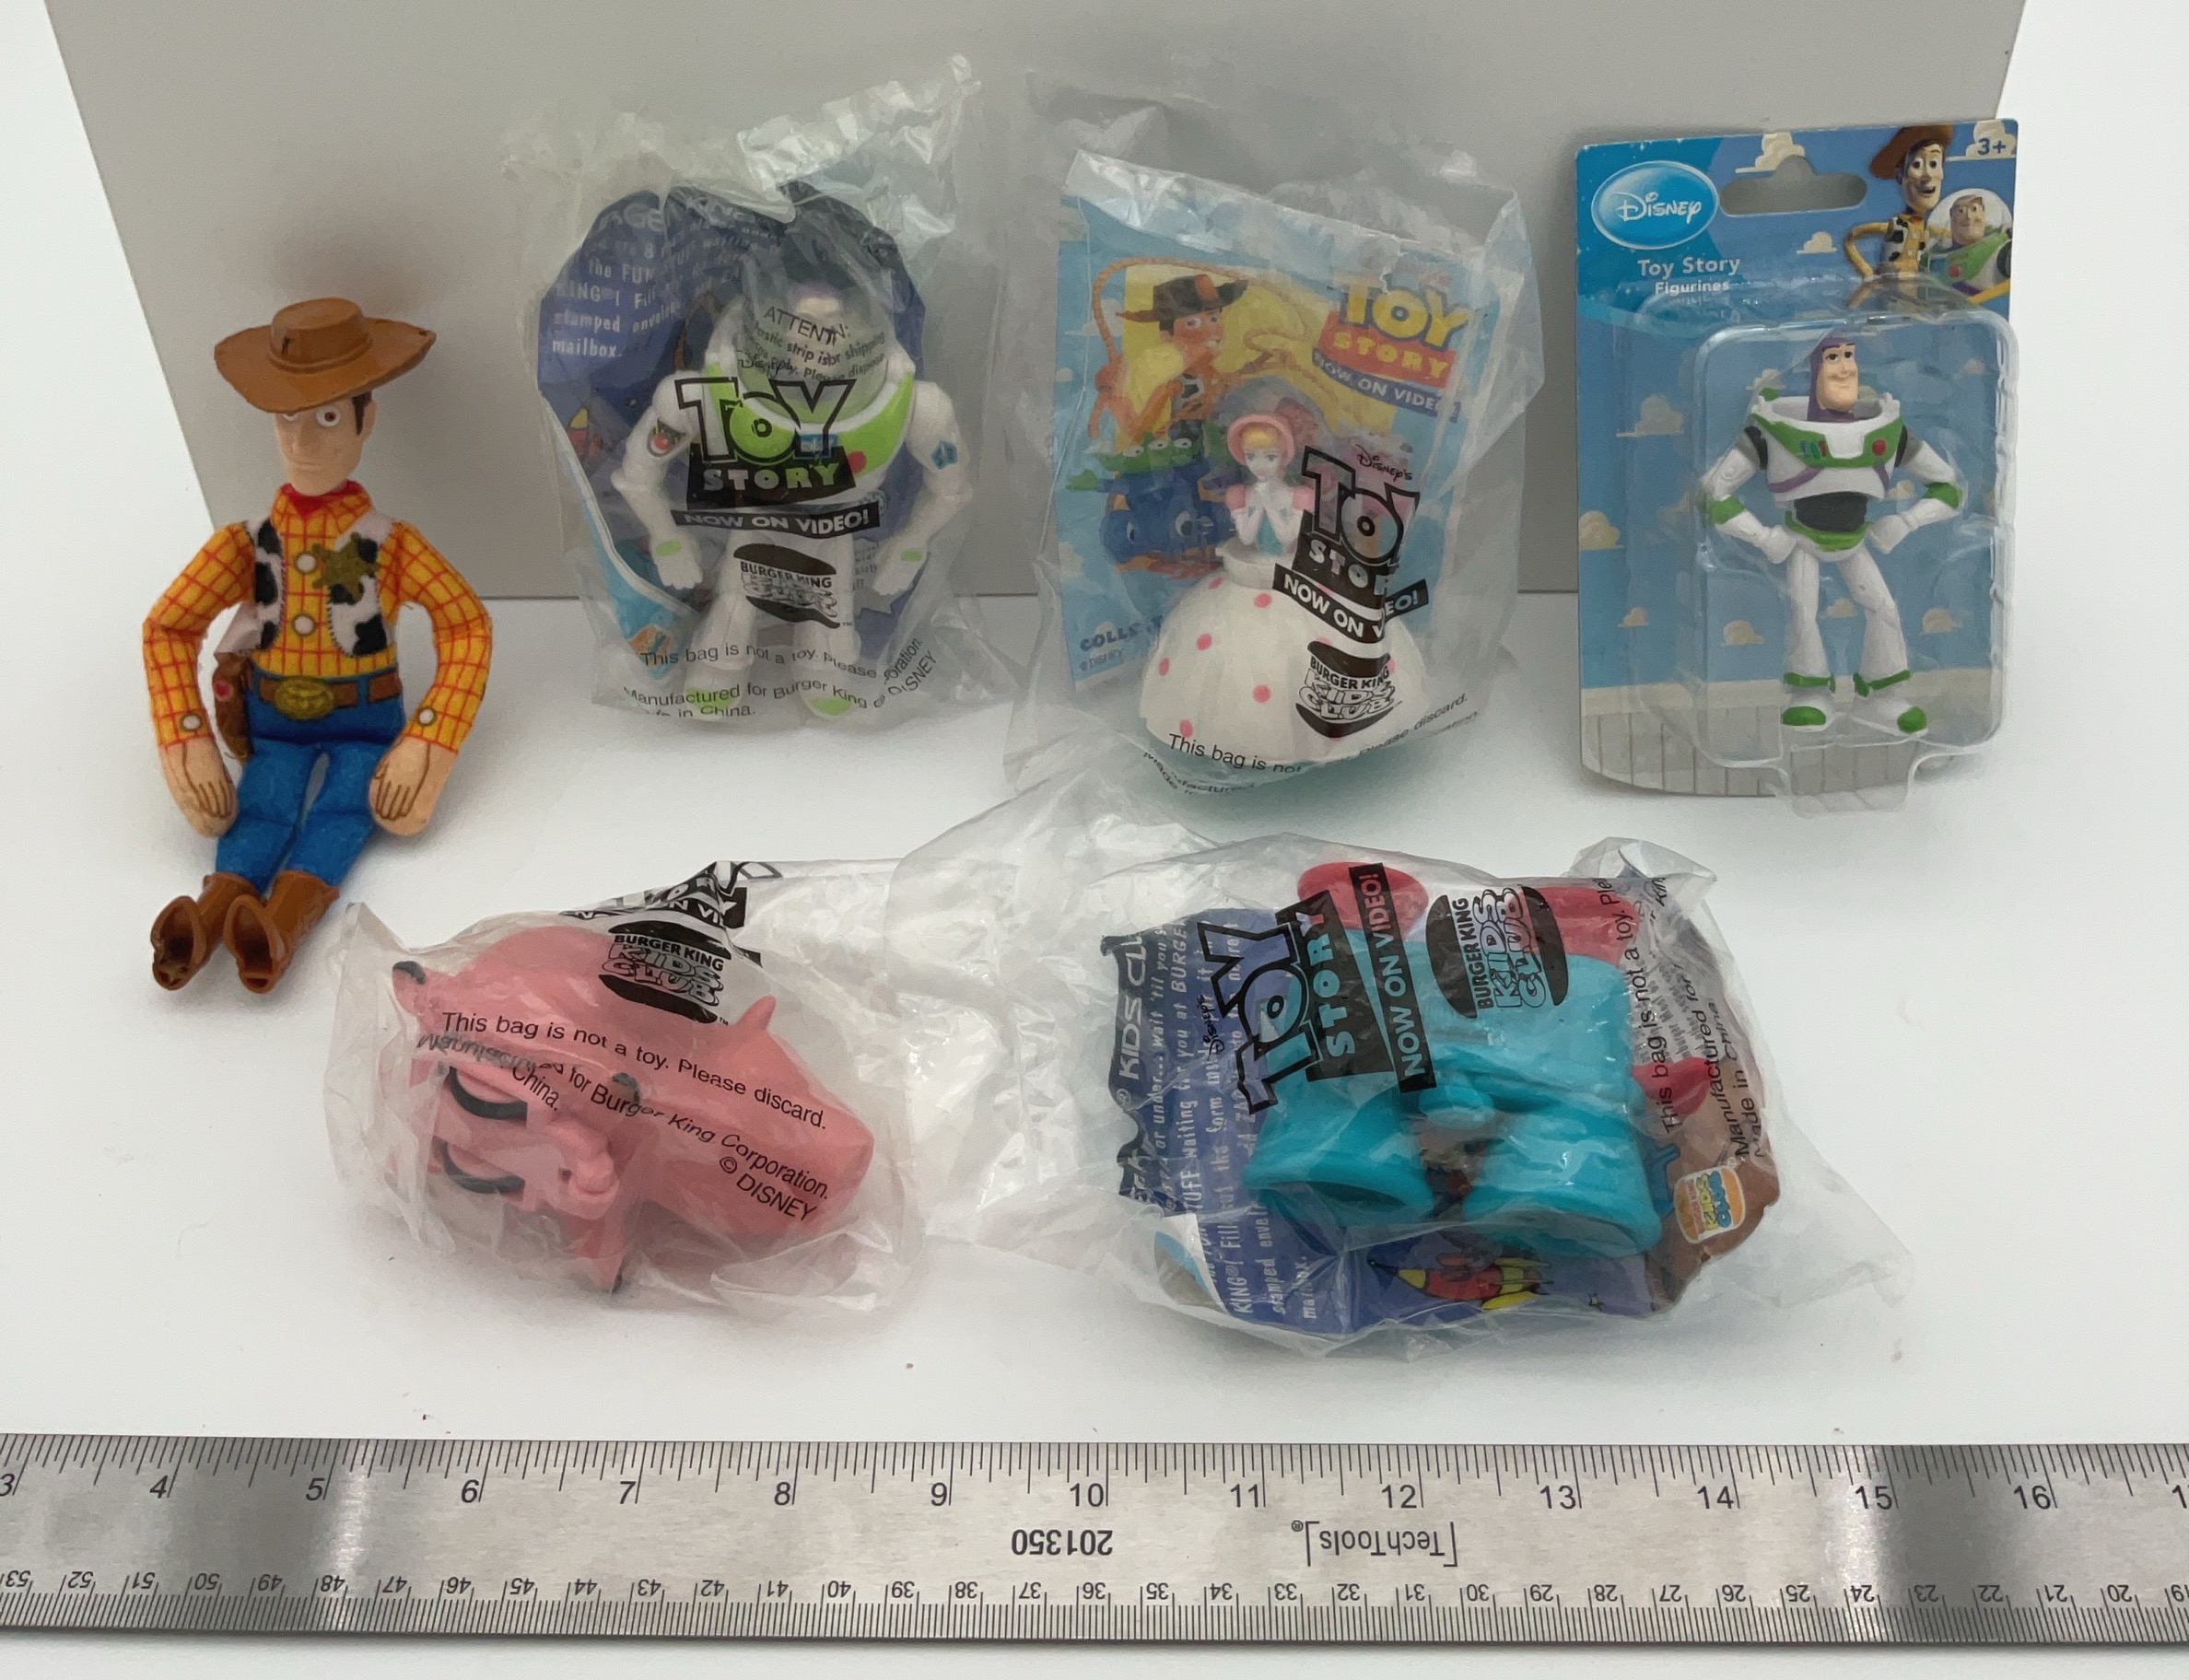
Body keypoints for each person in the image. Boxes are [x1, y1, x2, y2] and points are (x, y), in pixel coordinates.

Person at [144, 298, 493, 993]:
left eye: (328, 417)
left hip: (368, 721)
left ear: (367, 419)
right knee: (263, 805)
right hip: (274, 720)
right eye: (288, 418)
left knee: (343, 810)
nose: (304, 442)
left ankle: (278, 928)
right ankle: (208, 915)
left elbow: (467, 625)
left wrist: (429, 739)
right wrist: (186, 737)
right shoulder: (246, 542)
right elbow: (168, 626)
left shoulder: (392, 544)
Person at [1701, 332, 1961, 736]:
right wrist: (1762, 537)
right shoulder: (1774, 431)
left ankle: (1881, 696)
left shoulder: (1888, 433)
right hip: (1803, 542)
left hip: (1855, 543)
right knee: (1804, 613)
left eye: (1849, 356)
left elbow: (1948, 488)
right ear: (1815, 367)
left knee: (1885, 610)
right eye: (1834, 358)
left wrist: (1907, 521)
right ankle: (1810, 693)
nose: (1845, 368)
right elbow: (1716, 493)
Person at [1843, 123, 1954, 288]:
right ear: (1901, 175)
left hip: (1917, 291)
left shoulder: (1927, 229)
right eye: (1917, 164)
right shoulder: (1894, 226)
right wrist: (1867, 272)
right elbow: (1851, 237)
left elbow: (1948, 236)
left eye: (1934, 164)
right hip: (1891, 291)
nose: (1927, 175)